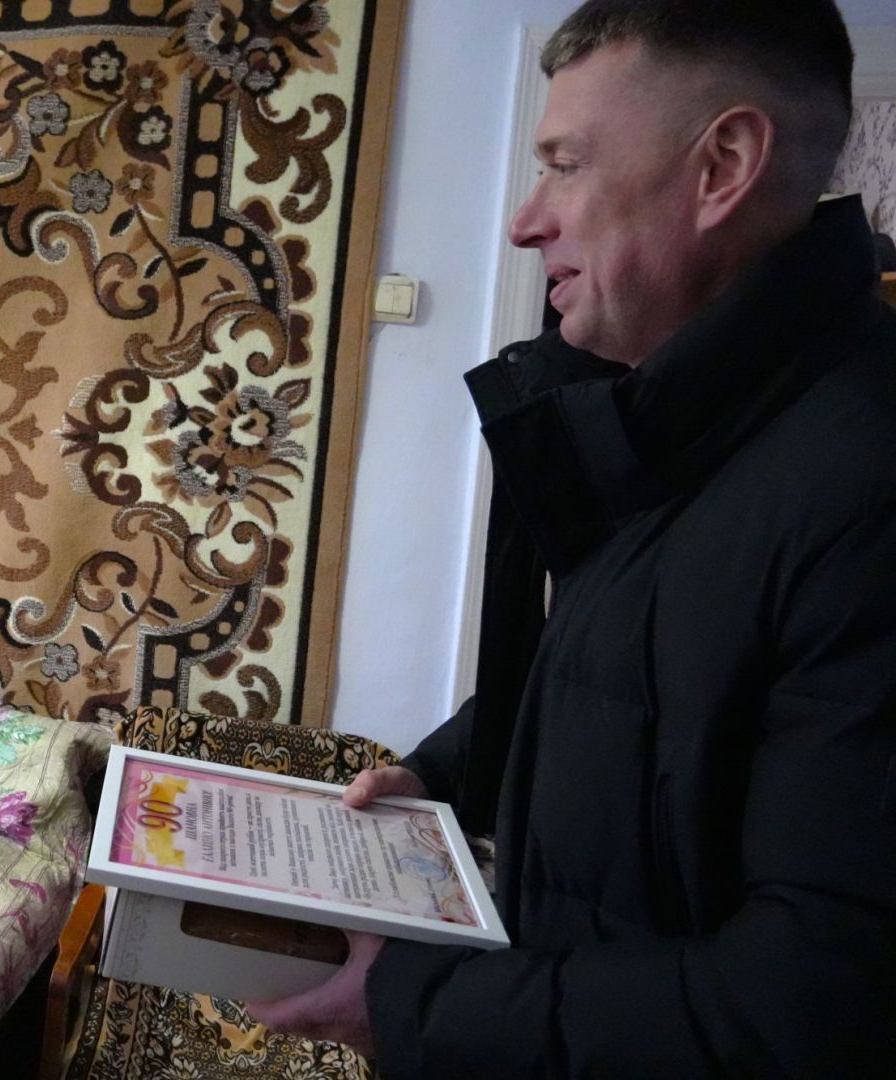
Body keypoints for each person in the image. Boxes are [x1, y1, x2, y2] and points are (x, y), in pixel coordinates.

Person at [251, 1, 896, 1076]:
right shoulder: (681, 422)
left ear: (723, 165)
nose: (524, 222)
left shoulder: (867, 486)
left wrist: (412, 1002)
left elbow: (807, 1008)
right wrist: (449, 773)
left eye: (565, 165)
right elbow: (638, 683)